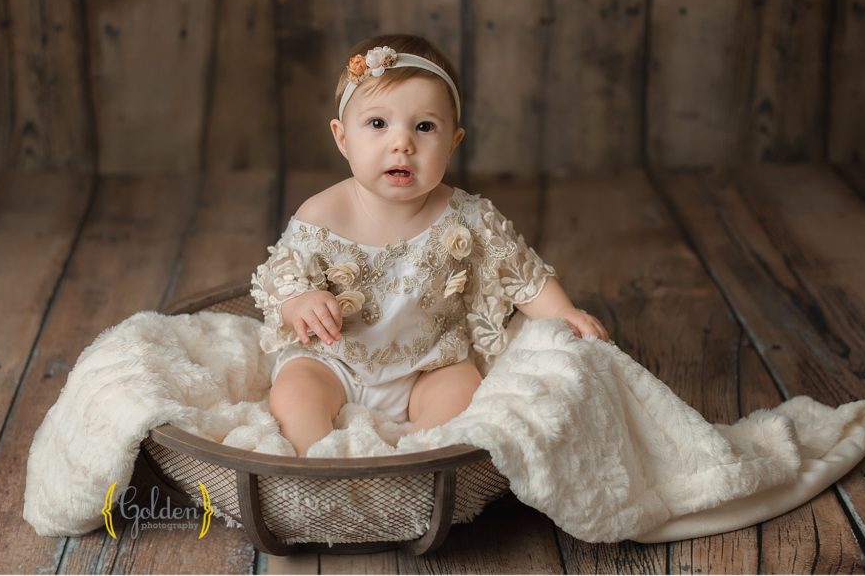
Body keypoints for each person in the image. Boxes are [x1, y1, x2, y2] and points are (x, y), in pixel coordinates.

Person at [251, 34, 609, 456]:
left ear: (453, 143)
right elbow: (282, 278)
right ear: (343, 137)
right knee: (294, 394)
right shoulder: (321, 215)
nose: (402, 143)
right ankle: (319, 466)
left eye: (424, 127)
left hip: (431, 363)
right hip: (335, 362)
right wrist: (301, 302)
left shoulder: (468, 217)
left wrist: (563, 311)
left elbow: (522, 273)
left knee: (462, 391)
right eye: (378, 124)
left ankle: (413, 464)